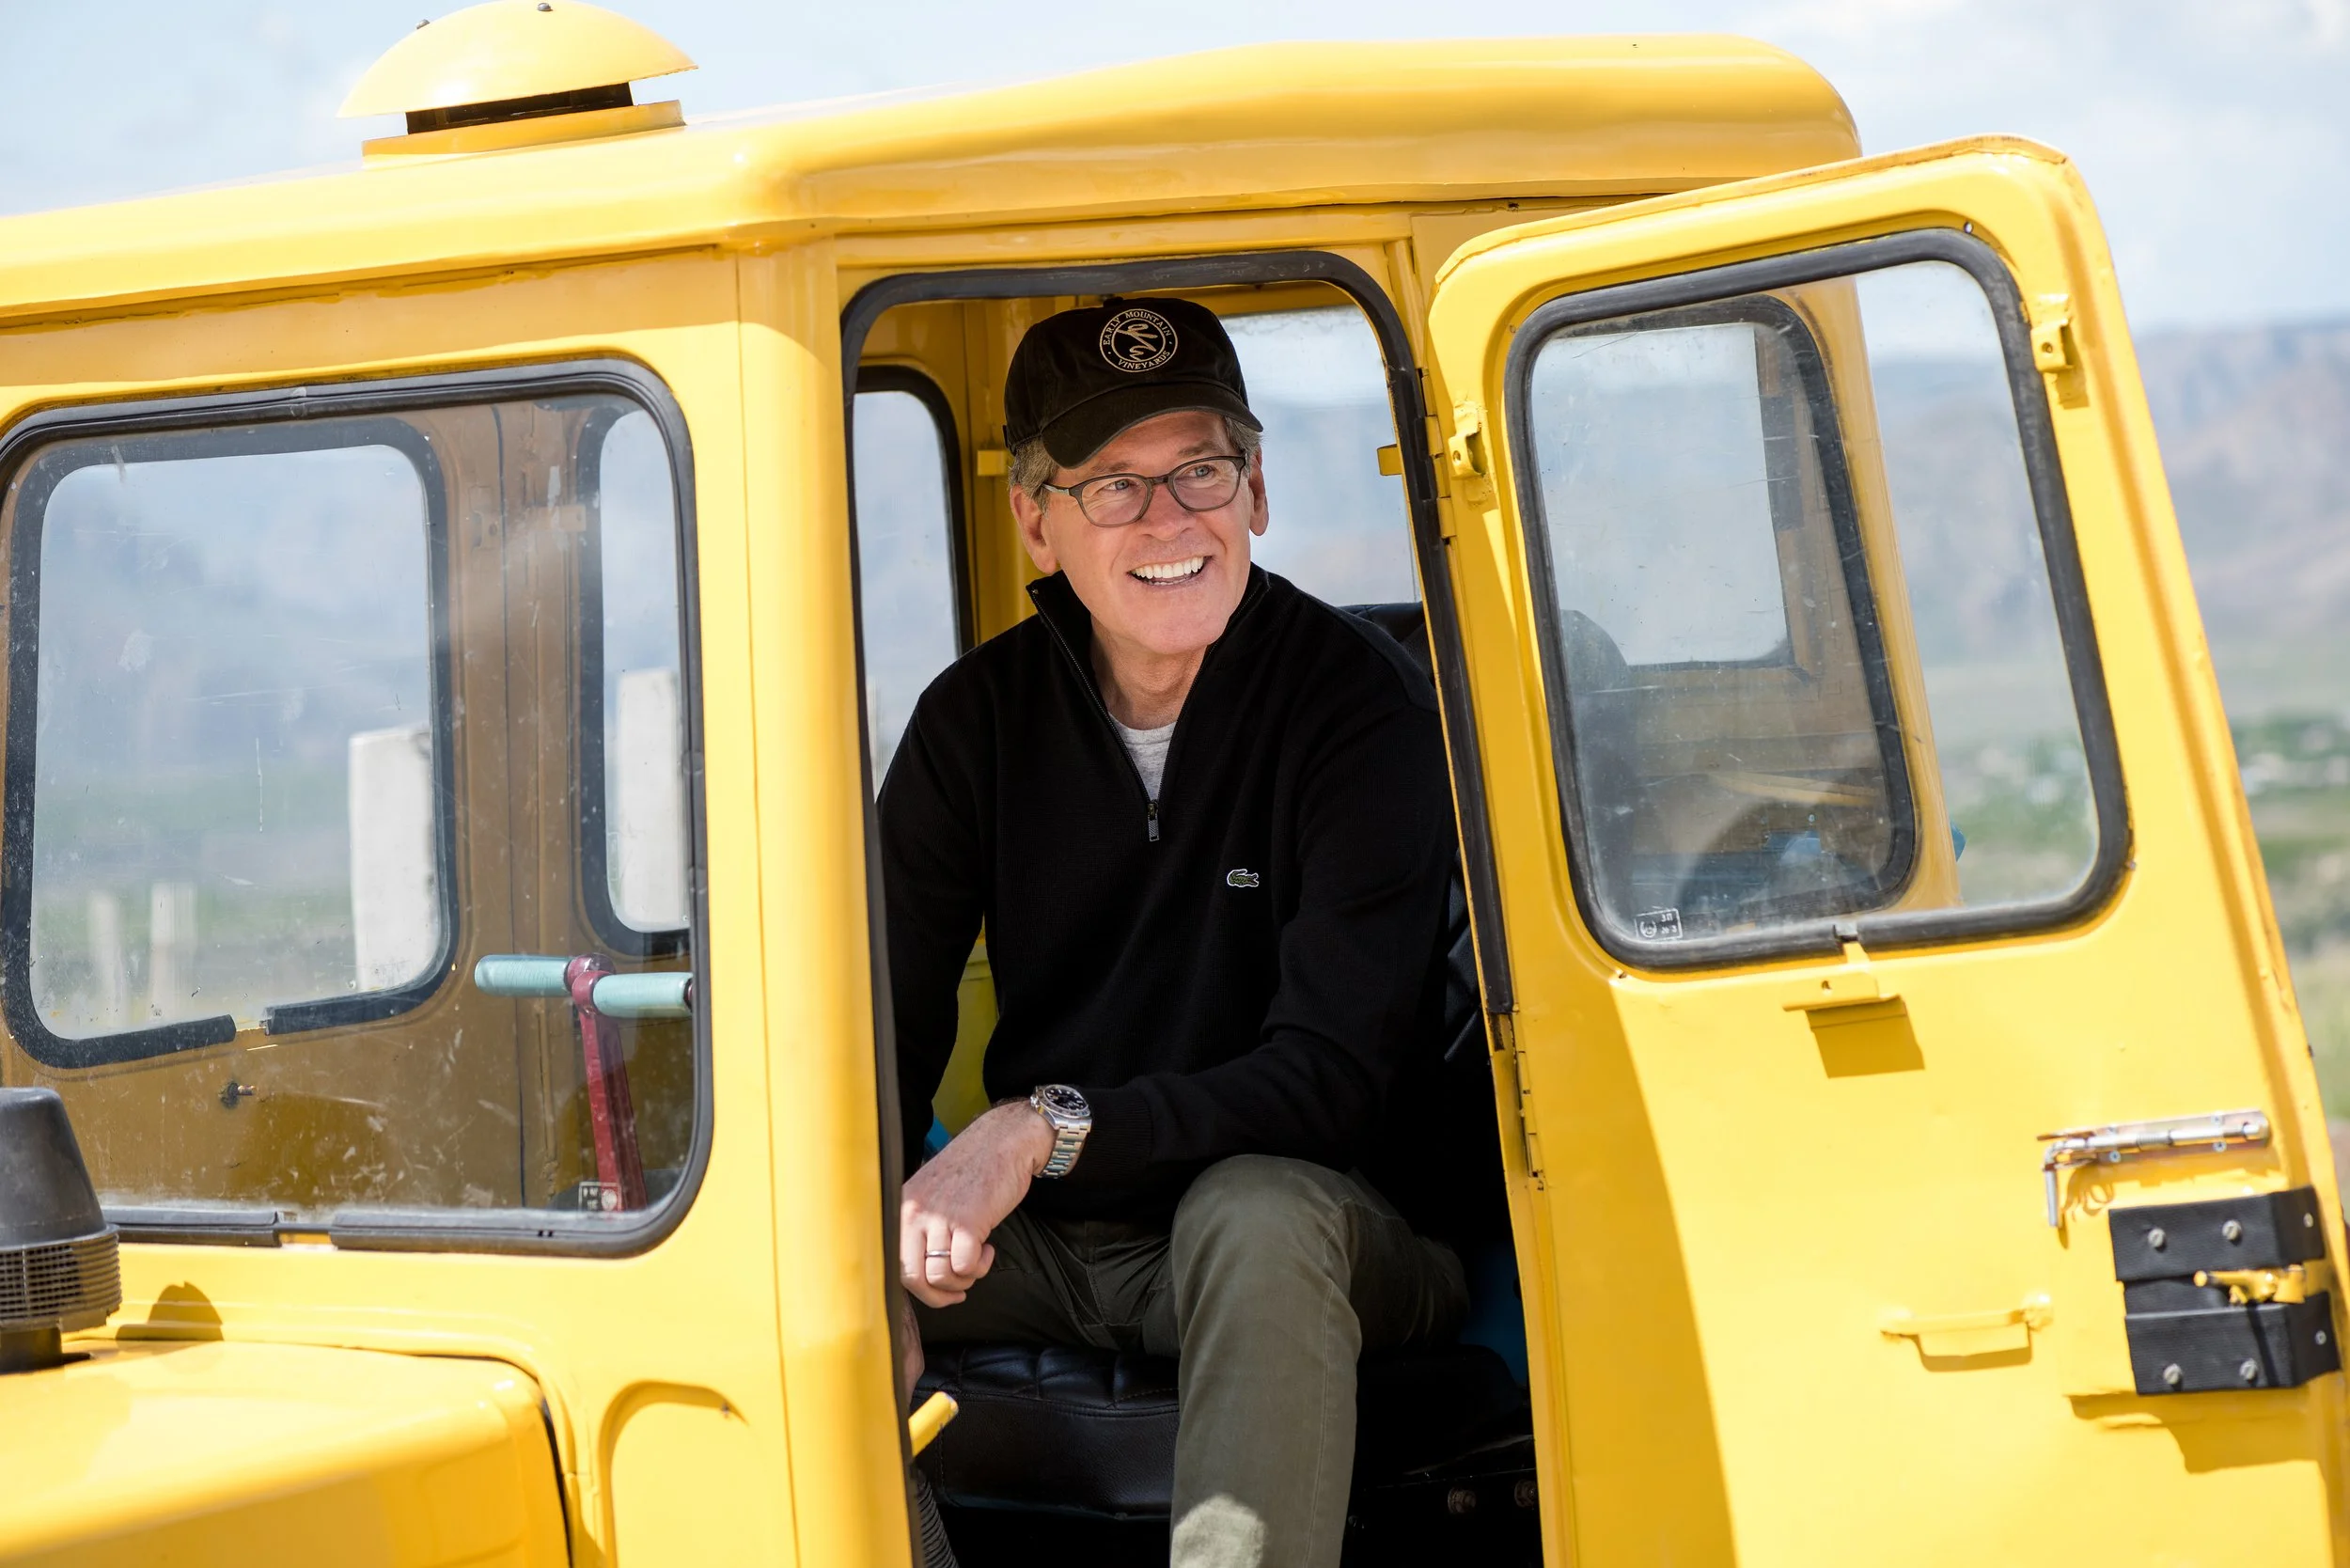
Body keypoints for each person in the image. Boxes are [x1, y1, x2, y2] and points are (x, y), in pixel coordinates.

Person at [881, 295, 1467, 1568]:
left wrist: (1040, 1130)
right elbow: (881, 1019)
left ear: (1254, 491)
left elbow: (1330, 1088)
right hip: (1061, 1244)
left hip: (1328, 1224)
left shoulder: (1357, 710)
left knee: (1252, 1216)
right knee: (810, 1252)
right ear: (1038, 524)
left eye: (1200, 470)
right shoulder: (973, 723)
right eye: (1114, 487)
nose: (1169, 520)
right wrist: (883, 1221)